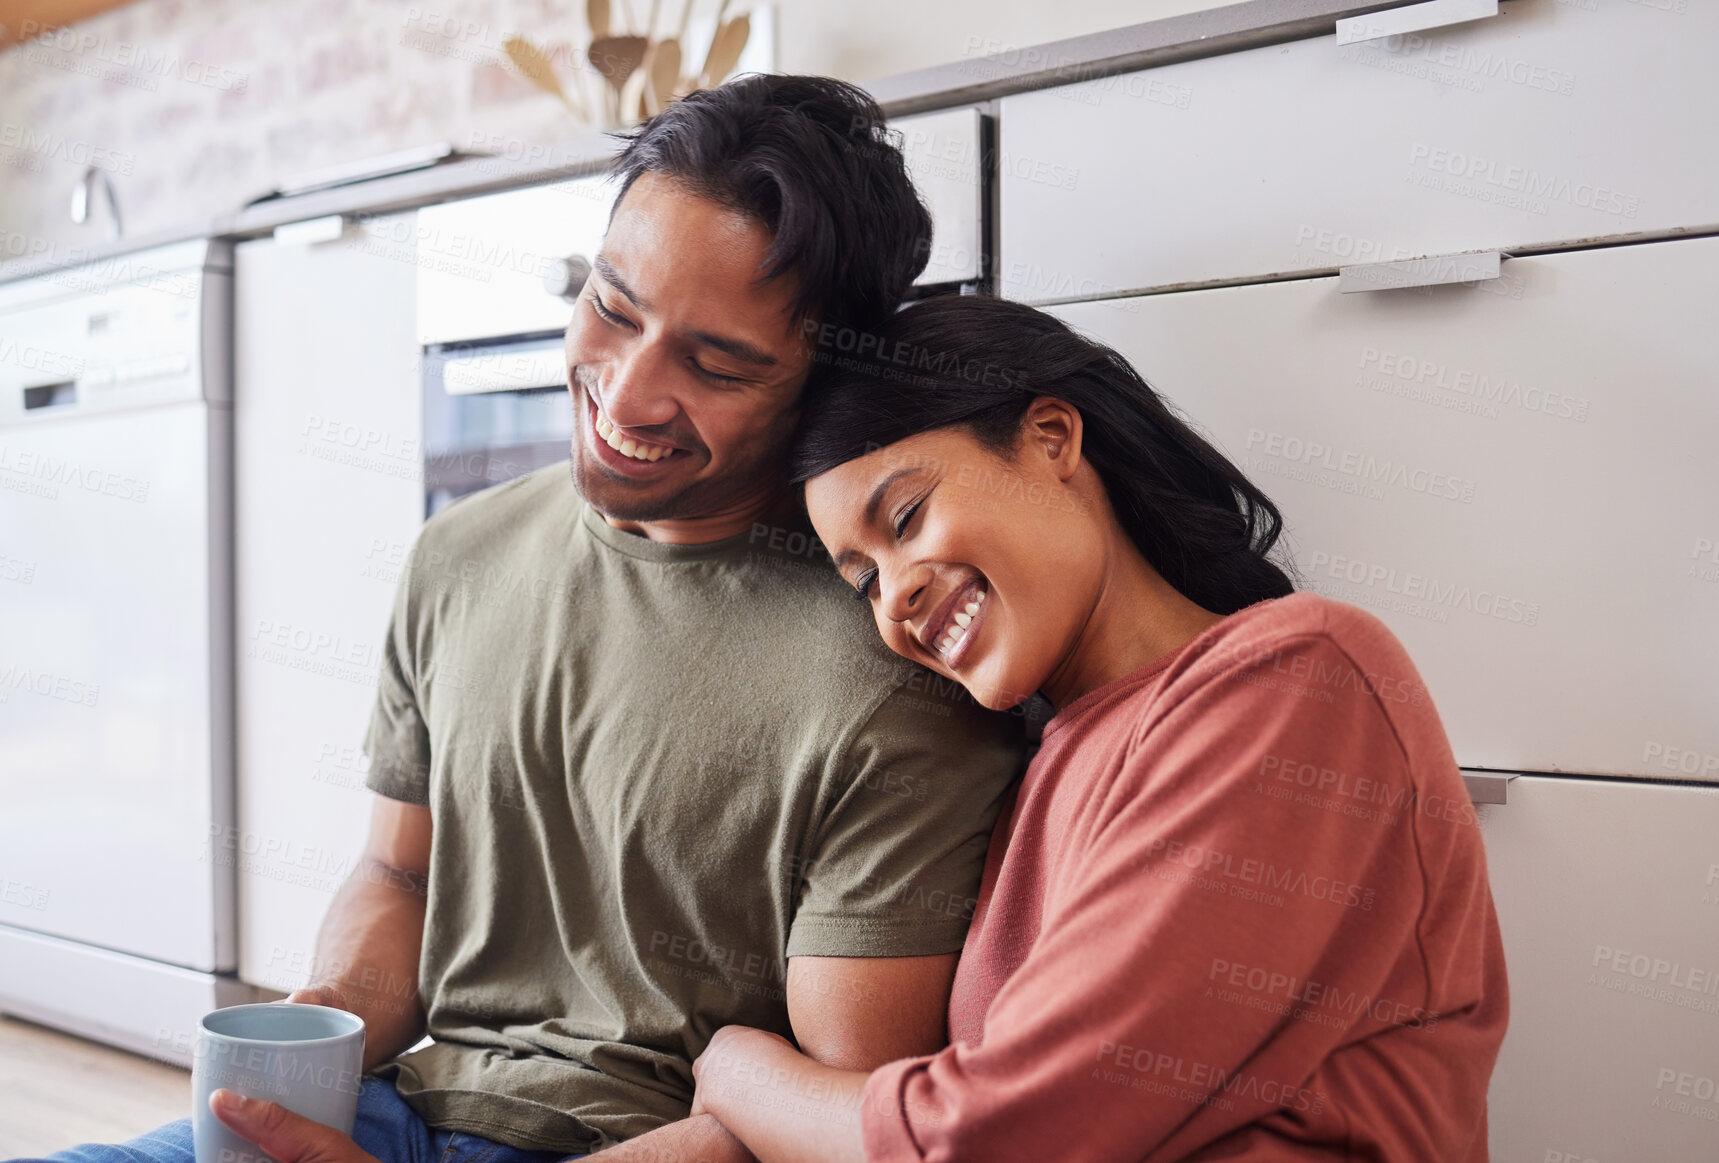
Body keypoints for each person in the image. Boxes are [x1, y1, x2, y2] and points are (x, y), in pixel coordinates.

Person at [29, 78, 1024, 1163]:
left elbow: (832, 1125)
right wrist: (325, 1033)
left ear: (822, 383)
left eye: (714, 363)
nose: (626, 392)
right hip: (399, 1105)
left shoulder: (892, 666)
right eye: (612, 306)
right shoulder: (459, 555)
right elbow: (400, 872)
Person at [688, 294, 1510, 1162]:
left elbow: (1000, 1137)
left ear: (1050, 439)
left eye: (904, 519)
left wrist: (742, 1072)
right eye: (863, 583)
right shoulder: (1043, 762)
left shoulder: (1300, 679)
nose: (894, 598)